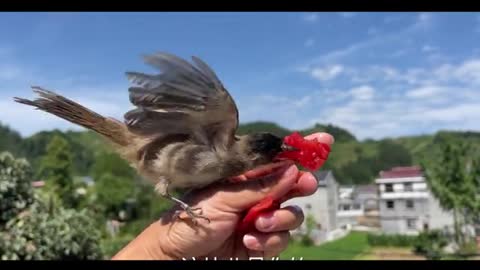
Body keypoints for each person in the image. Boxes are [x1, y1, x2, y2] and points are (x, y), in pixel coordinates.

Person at [112, 132, 334, 260]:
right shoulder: (224, 137)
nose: (277, 157)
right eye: (273, 153)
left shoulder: (230, 159)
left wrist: (166, 252)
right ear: (255, 155)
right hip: (156, 158)